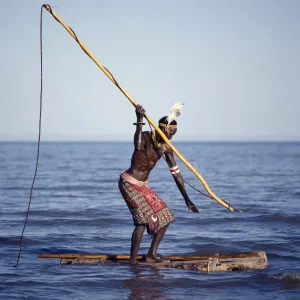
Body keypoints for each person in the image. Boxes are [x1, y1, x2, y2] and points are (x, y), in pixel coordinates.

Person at [118, 104, 199, 265]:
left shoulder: (167, 149)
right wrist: (139, 118)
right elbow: (137, 145)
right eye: (170, 133)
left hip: (142, 185)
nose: (171, 138)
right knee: (141, 221)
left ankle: (151, 255)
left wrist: (187, 199)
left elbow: (176, 174)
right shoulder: (146, 137)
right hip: (128, 182)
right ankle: (133, 262)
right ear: (163, 129)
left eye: (173, 135)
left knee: (166, 216)